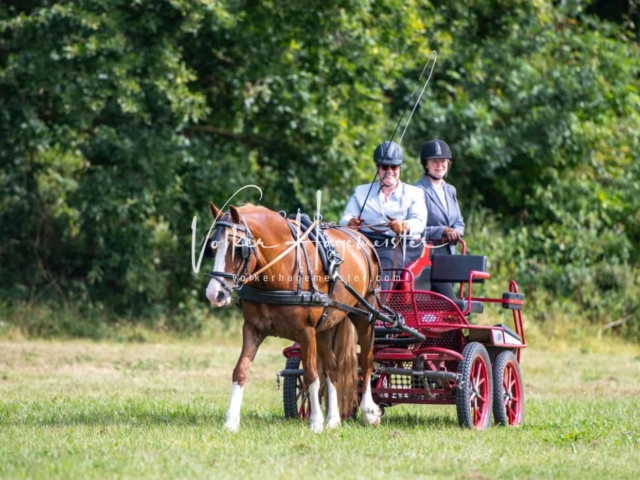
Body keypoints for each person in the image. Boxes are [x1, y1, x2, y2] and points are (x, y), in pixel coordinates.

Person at [340, 141, 427, 280]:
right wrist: (349, 222)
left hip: (401, 245)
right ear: (377, 168)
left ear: (400, 168)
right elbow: (345, 218)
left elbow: (419, 222)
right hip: (366, 242)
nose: (390, 171)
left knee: (385, 262)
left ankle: (380, 301)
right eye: (384, 166)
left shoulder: (414, 193)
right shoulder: (362, 191)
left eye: (394, 167)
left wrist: (404, 225)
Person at [414, 139, 465, 300]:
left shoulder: (450, 190)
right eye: (434, 161)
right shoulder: (417, 191)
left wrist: (455, 233)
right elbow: (416, 227)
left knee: (443, 311)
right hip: (428, 257)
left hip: (449, 255)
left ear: (448, 163)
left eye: (443, 161)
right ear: (426, 165)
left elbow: (459, 222)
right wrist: (441, 230)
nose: (439, 165)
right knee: (451, 305)